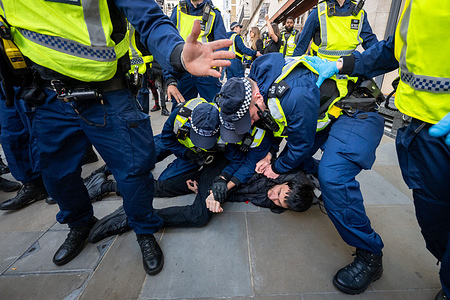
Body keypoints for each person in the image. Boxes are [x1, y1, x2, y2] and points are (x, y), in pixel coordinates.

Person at [0, 0, 233, 277]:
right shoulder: (182, 117)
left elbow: (148, 16)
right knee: (56, 175)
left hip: (107, 91)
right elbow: (168, 141)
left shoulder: (211, 17)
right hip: (48, 94)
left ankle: (143, 228)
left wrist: (177, 53)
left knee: (136, 170)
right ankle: (80, 223)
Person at [309, 0, 450, 298]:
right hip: (419, 129)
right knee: (435, 224)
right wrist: (339, 65)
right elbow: (391, 49)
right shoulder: (415, 5)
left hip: (363, 108)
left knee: (332, 174)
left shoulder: (357, 13)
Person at [219, 52, 387, 295]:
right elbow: (275, 124)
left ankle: (370, 255)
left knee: (334, 177)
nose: (252, 124)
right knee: (304, 164)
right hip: (325, 114)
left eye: (250, 118)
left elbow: (300, 145)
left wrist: (276, 167)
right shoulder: (259, 82)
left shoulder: (292, 95)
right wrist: (270, 154)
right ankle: (333, 196)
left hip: (357, 112)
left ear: (256, 97)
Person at [86, 168, 315, 244]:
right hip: (222, 170)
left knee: (163, 188)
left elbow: (239, 195)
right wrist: (213, 189)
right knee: (199, 216)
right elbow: (240, 167)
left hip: (215, 184)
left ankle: (106, 186)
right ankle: (138, 218)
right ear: (287, 183)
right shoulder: (275, 169)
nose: (273, 197)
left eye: (279, 203)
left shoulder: (273, 200)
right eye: (279, 193)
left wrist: (204, 191)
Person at [165, 0, 228, 107]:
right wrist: (170, 79)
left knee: (215, 108)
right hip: (183, 69)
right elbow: (168, 46)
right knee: (180, 112)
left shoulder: (214, 13)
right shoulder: (178, 11)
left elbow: (221, 42)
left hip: (207, 70)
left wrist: (219, 60)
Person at [0, 87, 48, 210]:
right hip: (3, 83)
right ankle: (34, 184)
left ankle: (58, 181)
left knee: (38, 127)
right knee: (10, 134)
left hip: (23, 79)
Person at [292, 0, 378, 58]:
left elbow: (370, 42)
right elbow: (301, 46)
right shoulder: (318, 11)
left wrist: (384, 55)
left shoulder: (359, 13)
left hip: (348, 72)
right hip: (320, 71)